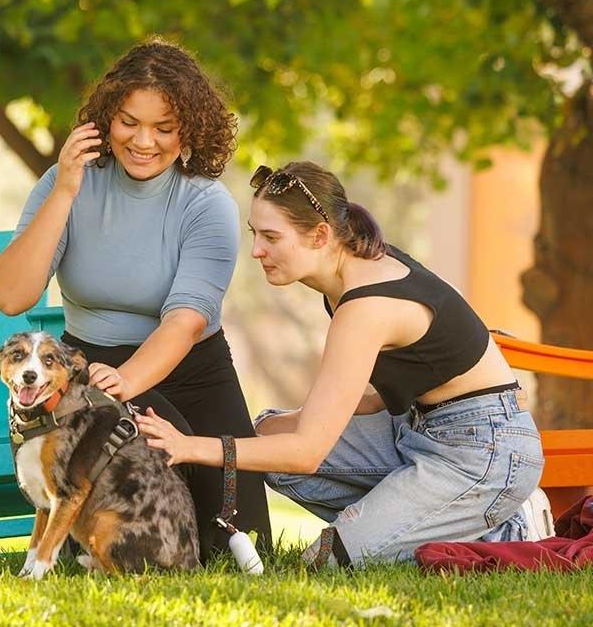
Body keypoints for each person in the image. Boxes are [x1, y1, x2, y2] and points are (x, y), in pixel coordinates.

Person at [136, 160, 554, 568]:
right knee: (265, 438)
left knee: (323, 560)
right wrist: (287, 424)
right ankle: (432, 518)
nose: (257, 251)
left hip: (484, 448)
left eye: (270, 237)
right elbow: (377, 396)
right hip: (415, 425)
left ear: (320, 235)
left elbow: (305, 454)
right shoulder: (352, 271)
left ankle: (506, 526)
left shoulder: (365, 305)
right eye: (254, 234)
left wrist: (189, 446)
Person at [0, 39, 272, 561]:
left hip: (192, 372)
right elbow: (11, 296)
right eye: (128, 122)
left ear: (188, 129)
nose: (144, 141)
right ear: (104, 120)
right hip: (92, 368)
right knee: (144, 543)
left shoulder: (206, 204)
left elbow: (186, 322)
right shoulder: (65, 185)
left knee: (238, 544)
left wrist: (128, 380)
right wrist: (66, 192)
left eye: (164, 128)